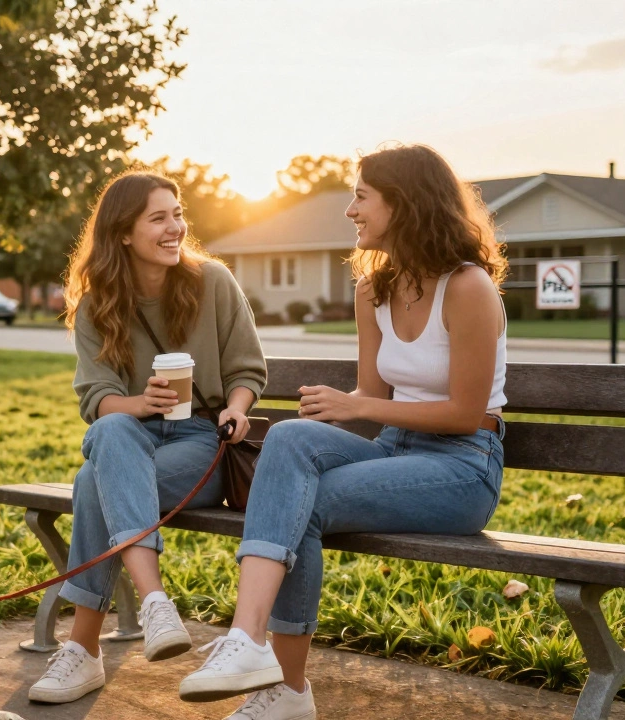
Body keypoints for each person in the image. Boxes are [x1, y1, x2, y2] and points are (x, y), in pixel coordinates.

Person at [178, 145, 509, 720]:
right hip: (395, 451)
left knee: (297, 503)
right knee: (285, 439)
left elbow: (462, 413)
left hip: (463, 468)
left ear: (402, 205)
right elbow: (375, 401)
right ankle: (251, 646)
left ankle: (281, 685)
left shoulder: (467, 287)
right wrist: (349, 407)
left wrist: (350, 406)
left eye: (361, 196)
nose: (350, 209)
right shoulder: (374, 287)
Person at [28, 171, 267, 704]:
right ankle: (155, 601)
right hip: (129, 438)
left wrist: (236, 409)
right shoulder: (97, 303)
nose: (175, 227)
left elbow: (248, 370)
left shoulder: (212, 282)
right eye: (158, 218)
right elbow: (97, 397)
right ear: (123, 234)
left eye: (177, 214)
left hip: (200, 443)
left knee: (95, 484)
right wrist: (140, 404)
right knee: (112, 435)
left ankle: (85, 649)